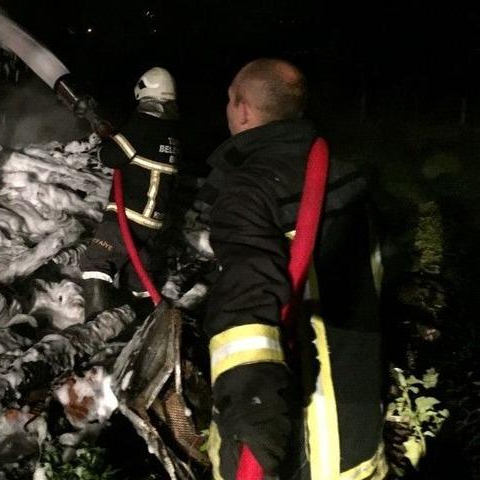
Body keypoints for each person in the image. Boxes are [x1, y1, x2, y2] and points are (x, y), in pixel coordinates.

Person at [194, 59, 387, 480]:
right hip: (359, 425)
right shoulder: (347, 172)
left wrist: (251, 421)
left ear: (243, 109)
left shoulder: (250, 190)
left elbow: (247, 313)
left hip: (301, 445)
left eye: (230, 101)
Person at [78, 67, 182, 319]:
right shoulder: (171, 132)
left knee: (96, 261)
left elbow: (111, 156)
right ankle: (141, 323)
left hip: (130, 215)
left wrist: (104, 143)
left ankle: (97, 328)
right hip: (153, 222)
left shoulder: (143, 124)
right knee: (137, 276)